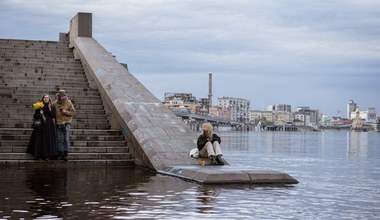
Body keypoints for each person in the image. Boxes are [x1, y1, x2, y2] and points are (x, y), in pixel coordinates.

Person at [27, 94, 58, 160]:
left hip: (49, 126)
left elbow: (53, 116)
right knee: (39, 140)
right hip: (40, 126)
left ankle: (47, 155)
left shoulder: (51, 106)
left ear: (49, 99)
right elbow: (35, 116)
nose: (46, 99)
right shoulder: (39, 105)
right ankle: (38, 155)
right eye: (45, 98)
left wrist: (49, 110)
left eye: (47, 98)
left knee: (47, 140)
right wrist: (41, 114)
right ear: (43, 98)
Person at [54, 89, 75, 161]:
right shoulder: (55, 103)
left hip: (66, 123)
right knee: (59, 139)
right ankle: (60, 153)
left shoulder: (68, 102)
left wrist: (65, 112)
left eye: (63, 96)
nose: (61, 97)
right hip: (58, 123)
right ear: (58, 96)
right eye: (60, 96)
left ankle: (65, 154)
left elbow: (73, 113)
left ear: (65, 96)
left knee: (66, 138)